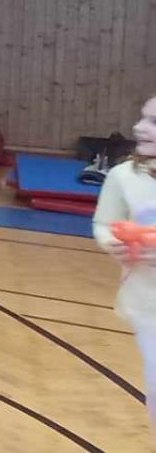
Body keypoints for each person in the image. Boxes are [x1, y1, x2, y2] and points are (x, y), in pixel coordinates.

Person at [94, 93, 156, 431]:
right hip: (148, 305)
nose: (139, 127)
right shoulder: (123, 176)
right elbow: (104, 223)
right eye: (143, 118)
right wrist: (112, 243)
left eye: (154, 122)